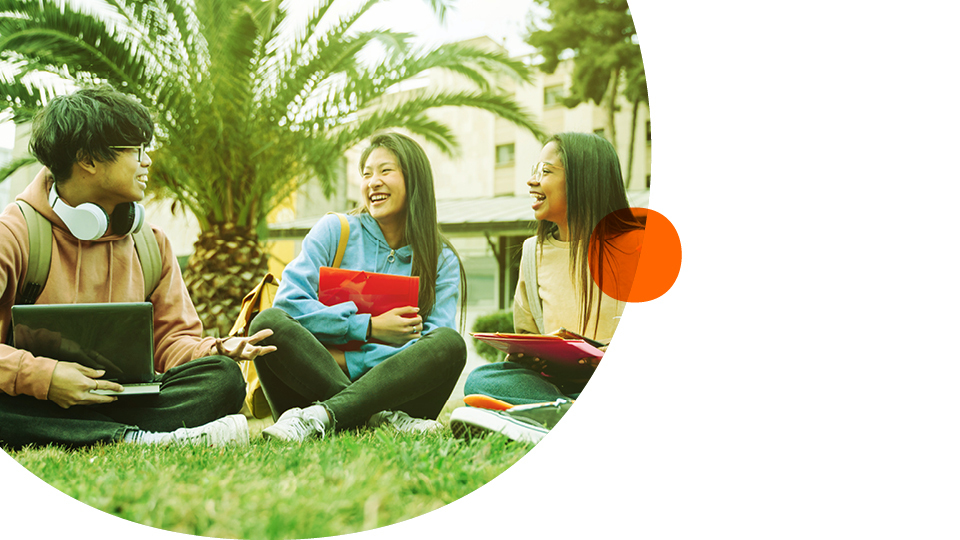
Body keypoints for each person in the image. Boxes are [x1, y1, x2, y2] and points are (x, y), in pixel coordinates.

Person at [0, 84, 276, 449]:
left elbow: (173, 342)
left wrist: (215, 350)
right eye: (136, 150)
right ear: (88, 159)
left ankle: (98, 432)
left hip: (123, 397)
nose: (147, 161)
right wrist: (46, 377)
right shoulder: (14, 234)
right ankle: (136, 437)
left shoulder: (151, 243)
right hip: (34, 397)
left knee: (222, 378)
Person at [250, 132, 467, 442]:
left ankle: (323, 415)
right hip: (316, 385)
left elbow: (431, 351)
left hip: (395, 396)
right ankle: (376, 419)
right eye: (366, 174)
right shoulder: (334, 231)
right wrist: (368, 328)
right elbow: (289, 305)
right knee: (268, 324)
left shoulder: (441, 259)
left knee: (450, 343)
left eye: (385, 171)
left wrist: (343, 356)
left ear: (414, 179)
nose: (372, 182)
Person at [452, 132, 641, 443]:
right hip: (558, 386)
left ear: (583, 180)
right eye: (533, 171)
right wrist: (529, 355)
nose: (532, 181)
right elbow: (527, 337)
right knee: (483, 379)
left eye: (546, 171)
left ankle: (541, 418)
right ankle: (559, 414)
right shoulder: (532, 253)